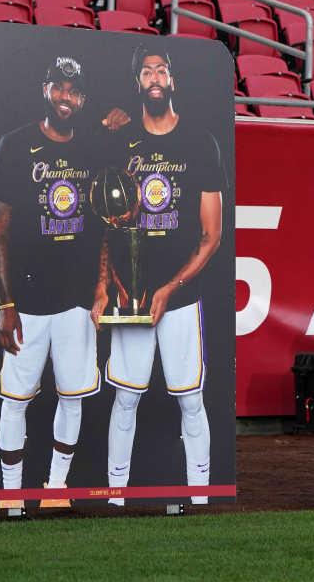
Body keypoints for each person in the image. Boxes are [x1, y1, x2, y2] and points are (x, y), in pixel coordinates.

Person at [93, 45, 226, 505]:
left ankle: (202, 496)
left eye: (161, 70)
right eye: (146, 70)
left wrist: (172, 287)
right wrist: (108, 284)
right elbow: (107, 219)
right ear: (138, 85)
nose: (154, 76)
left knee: (191, 399)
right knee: (125, 398)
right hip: (132, 294)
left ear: (172, 81)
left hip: (180, 295)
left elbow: (212, 235)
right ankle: (114, 495)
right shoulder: (119, 139)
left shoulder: (198, 140)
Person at [0, 57, 106, 509]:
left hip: (76, 299)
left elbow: (101, 228)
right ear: (45, 89)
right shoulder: (14, 146)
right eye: (59, 88)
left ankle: (56, 491)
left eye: (73, 91)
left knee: (71, 397)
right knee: (16, 399)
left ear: (82, 99)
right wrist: (6, 302)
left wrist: (100, 286)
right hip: (27, 299)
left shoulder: (91, 151)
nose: (65, 98)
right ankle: (12, 497)